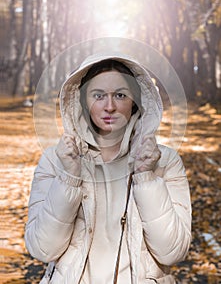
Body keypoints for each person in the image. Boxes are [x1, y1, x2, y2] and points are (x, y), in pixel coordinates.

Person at [25, 52, 192, 284]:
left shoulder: (165, 161)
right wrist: (69, 178)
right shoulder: (57, 160)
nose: (110, 106)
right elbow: (43, 249)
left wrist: (146, 177)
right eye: (98, 95)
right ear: (83, 101)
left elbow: (172, 252)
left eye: (120, 95)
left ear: (135, 100)